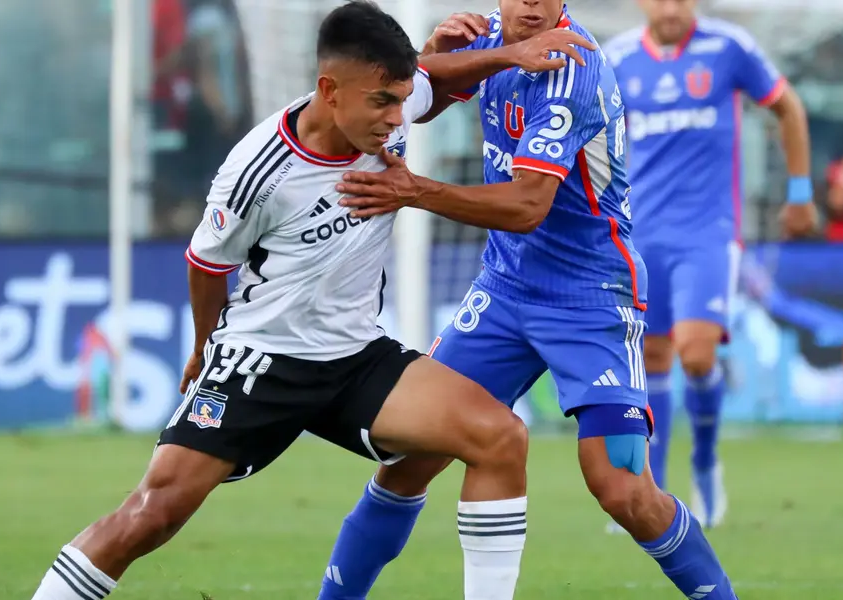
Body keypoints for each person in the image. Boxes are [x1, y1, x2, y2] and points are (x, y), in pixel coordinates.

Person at [27, 2, 594, 598]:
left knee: (500, 437)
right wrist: (202, 350)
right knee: (152, 513)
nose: (398, 119)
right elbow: (205, 263)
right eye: (383, 102)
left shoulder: (385, 111)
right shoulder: (256, 170)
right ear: (330, 90)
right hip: (261, 361)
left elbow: (434, 78)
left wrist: (504, 55)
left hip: (354, 358)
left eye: (402, 101)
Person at [317, 3, 739, 599]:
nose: (533, 5)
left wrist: (413, 191)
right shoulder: (489, 36)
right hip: (504, 290)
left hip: (589, 293)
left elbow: (525, 206)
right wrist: (437, 54)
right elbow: (417, 100)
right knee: (410, 460)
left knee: (621, 485)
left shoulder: (574, 65)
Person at [604, 0, 814, 529]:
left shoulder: (727, 48)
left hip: (707, 233)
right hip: (639, 233)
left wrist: (800, 191)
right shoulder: (618, 58)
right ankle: (650, 490)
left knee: (696, 355)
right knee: (650, 358)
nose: (671, 8)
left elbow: (788, 106)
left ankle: (705, 463)